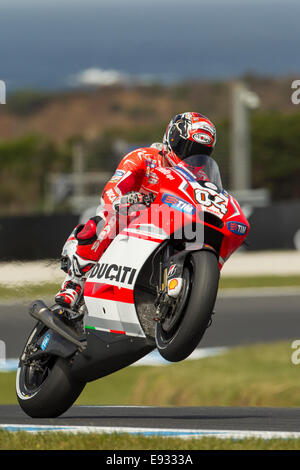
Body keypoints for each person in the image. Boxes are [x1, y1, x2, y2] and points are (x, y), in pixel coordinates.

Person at [55, 112, 217, 309]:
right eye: (188, 149)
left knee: (196, 232)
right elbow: (113, 189)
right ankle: (74, 282)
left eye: (200, 154)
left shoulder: (200, 178)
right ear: (171, 139)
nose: (193, 158)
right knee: (109, 218)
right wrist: (125, 200)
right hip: (132, 220)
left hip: (170, 225)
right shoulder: (143, 157)